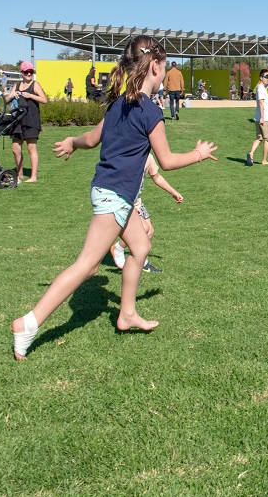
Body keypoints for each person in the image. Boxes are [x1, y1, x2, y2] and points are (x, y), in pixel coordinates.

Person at [11, 35, 218, 359]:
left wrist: (72, 142)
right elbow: (166, 161)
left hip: (109, 192)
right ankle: (29, 322)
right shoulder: (150, 111)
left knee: (141, 246)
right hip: (114, 197)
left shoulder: (119, 103)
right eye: (164, 67)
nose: (165, 73)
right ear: (154, 66)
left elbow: (92, 139)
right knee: (87, 266)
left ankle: (126, 313)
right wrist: (198, 153)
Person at [110, 152, 183, 273]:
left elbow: (156, 176)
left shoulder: (148, 157)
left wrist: (172, 191)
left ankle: (143, 263)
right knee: (144, 228)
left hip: (137, 202)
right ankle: (118, 248)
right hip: (124, 201)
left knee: (150, 232)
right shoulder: (127, 155)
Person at [4, 61, 48, 183]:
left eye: (31, 72)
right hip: (17, 121)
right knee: (15, 148)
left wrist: (30, 95)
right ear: (22, 73)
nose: (29, 74)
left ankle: (33, 177)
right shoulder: (16, 86)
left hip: (31, 120)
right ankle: (19, 175)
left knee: (31, 147)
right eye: (26, 72)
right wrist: (13, 95)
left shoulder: (35, 85)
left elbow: (44, 100)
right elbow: (6, 100)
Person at [247, 69, 268, 166]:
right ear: (261, 78)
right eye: (266, 77)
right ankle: (264, 160)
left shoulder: (262, 87)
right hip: (265, 118)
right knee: (266, 139)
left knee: (259, 138)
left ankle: (251, 153)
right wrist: (263, 118)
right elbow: (261, 103)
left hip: (258, 118)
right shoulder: (261, 89)